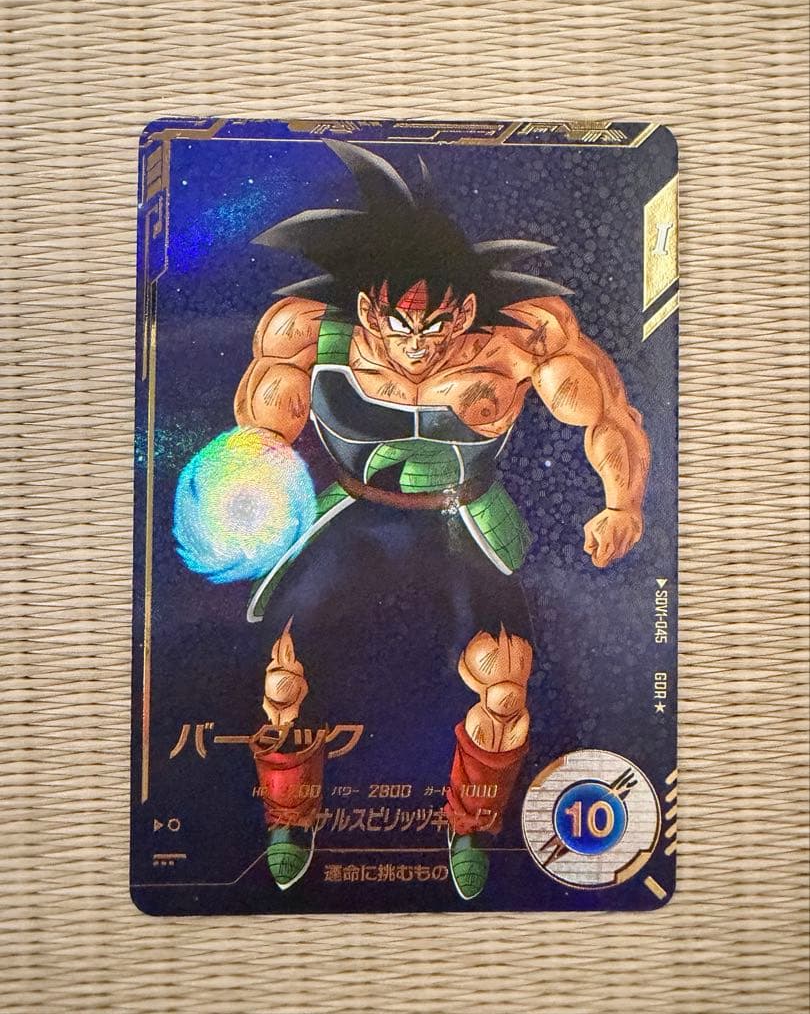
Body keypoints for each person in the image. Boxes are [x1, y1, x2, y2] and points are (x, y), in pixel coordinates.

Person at [235, 141, 650, 898]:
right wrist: (248, 495)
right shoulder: (306, 332)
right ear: (367, 305)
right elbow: (259, 438)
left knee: (504, 687)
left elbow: (608, 416)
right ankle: (288, 817)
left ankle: (470, 828)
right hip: (350, 518)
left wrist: (622, 503)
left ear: (466, 309)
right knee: (285, 680)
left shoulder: (520, 339)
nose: (416, 346)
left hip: (466, 524)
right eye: (397, 325)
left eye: (437, 327)